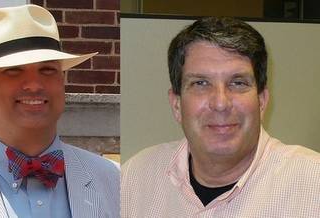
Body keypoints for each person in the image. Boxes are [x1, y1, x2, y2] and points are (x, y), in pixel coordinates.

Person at [0, 4, 120, 217]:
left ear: (62, 81)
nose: (34, 85)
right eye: (13, 71)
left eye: (47, 69)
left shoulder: (114, 180)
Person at [121, 17, 320, 217]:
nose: (220, 103)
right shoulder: (134, 180)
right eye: (201, 83)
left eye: (238, 83)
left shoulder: (313, 185)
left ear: (262, 101)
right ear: (177, 104)